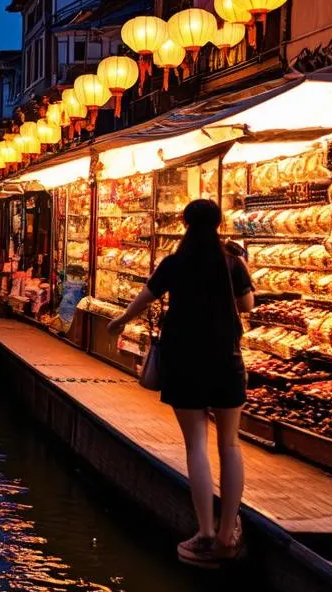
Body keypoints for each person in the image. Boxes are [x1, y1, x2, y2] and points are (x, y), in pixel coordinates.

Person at [108, 199, 254, 567]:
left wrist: (120, 320)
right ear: (219, 223)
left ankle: (204, 531)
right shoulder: (231, 262)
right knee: (230, 445)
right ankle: (226, 536)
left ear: (185, 224)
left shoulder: (175, 262)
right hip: (226, 359)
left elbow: (145, 298)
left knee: (196, 447)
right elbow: (248, 304)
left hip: (184, 360)